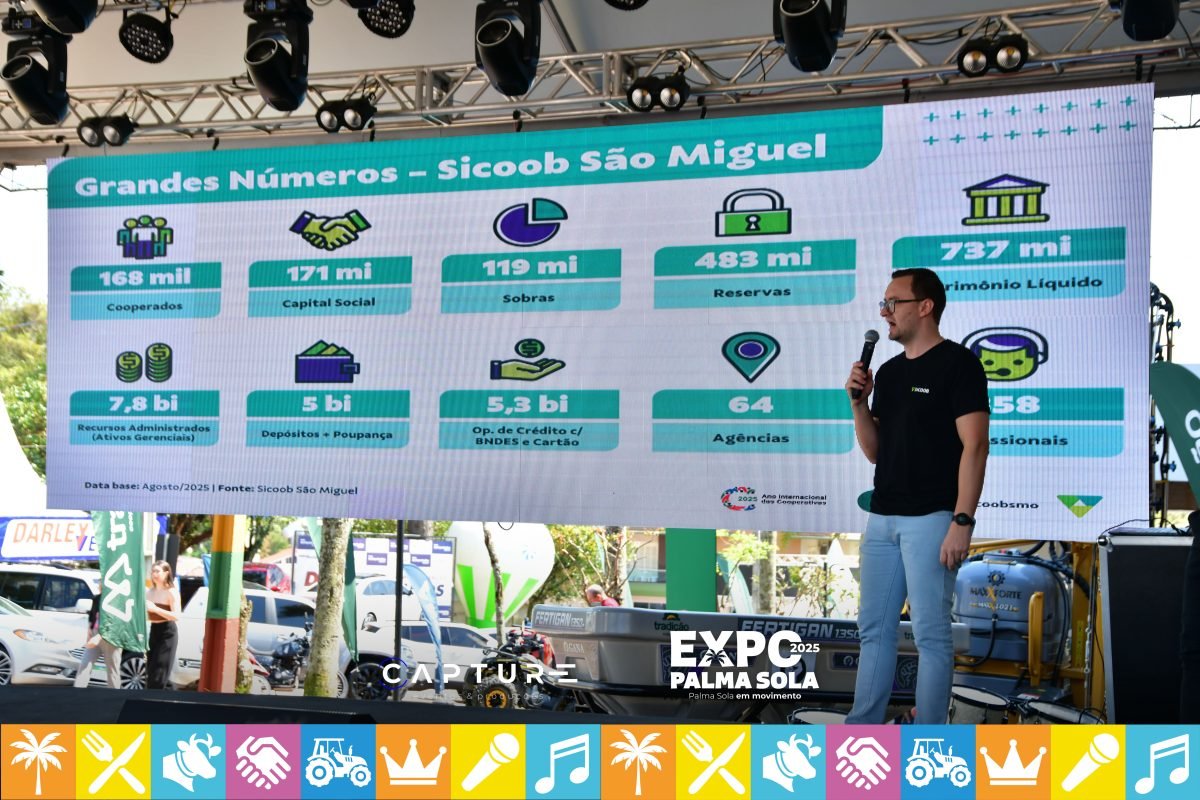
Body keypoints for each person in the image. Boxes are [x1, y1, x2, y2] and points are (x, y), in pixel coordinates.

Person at [843, 267, 990, 725]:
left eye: (894, 302)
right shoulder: (887, 373)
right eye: (883, 304)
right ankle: (861, 733)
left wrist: (961, 521)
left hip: (933, 518)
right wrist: (859, 405)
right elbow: (876, 451)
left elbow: (976, 445)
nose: (884, 312)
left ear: (925, 307)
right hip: (883, 518)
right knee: (874, 631)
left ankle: (930, 741)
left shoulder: (959, 364)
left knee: (931, 636)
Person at [73, 582, 124, 689]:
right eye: (100, 581)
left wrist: (99, 637)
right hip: (95, 635)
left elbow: (115, 624)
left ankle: (116, 696)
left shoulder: (117, 601)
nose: (99, 585)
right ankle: (77, 693)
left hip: (111, 638)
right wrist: (90, 631)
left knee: (112, 671)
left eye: (102, 581)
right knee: (85, 664)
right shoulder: (97, 599)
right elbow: (92, 616)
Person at [146, 560, 181, 690]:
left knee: (160, 671)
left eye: (157, 571)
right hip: (154, 630)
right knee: (151, 670)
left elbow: (176, 616)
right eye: (153, 571)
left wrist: (155, 609)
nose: (154, 574)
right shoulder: (149, 592)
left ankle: (151, 699)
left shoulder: (171, 592)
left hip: (167, 632)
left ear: (166, 573)